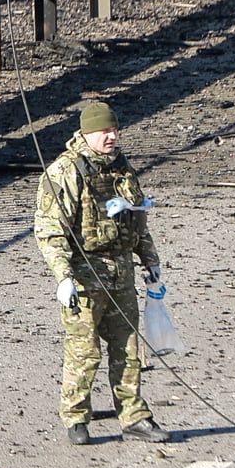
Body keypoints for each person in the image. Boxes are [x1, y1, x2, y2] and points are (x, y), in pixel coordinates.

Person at [35, 100, 171, 446]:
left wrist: (150, 261)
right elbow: (50, 230)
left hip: (120, 272)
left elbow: (138, 219)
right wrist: (63, 277)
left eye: (114, 130)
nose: (111, 137)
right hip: (85, 276)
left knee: (127, 348)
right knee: (84, 351)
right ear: (86, 133)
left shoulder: (122, 169)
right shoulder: (64, 173)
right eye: (103, 132)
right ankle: (76, 418)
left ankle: (134, 417)